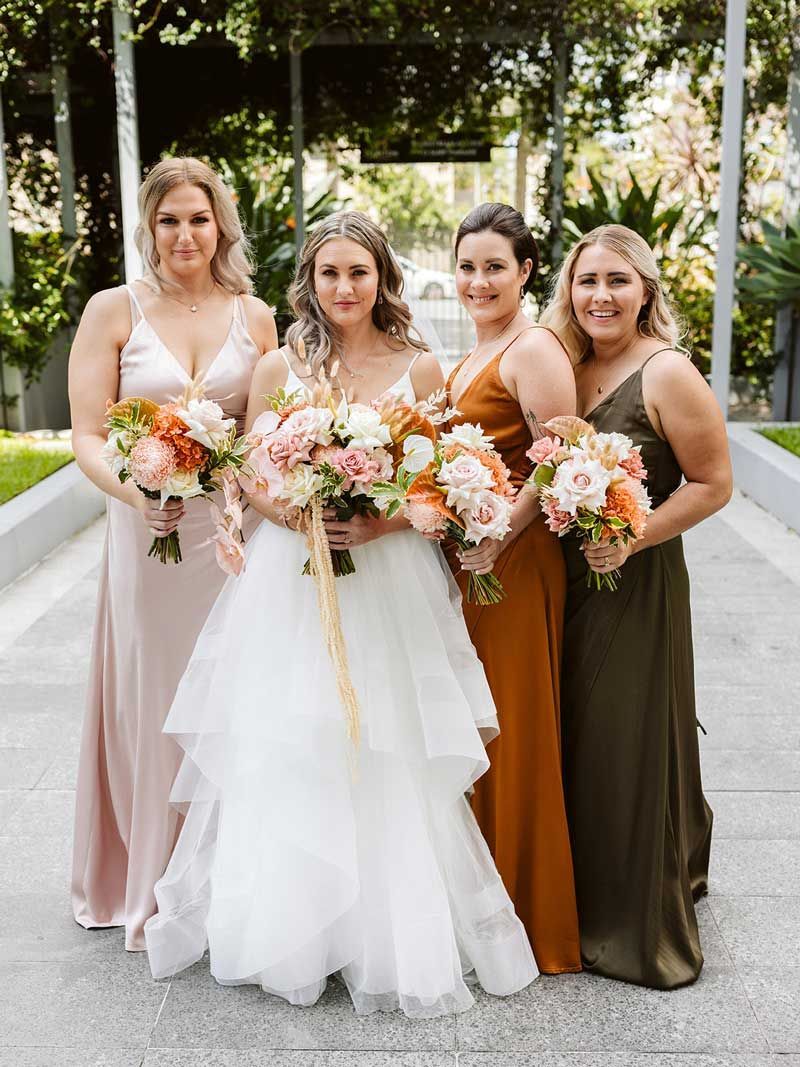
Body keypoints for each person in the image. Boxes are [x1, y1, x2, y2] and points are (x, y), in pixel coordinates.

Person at [144, 211, 538, 1017]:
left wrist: (383, 519)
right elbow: (251, 473)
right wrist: (293, 514)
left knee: (384, 738)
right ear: (310, 282)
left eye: (359, 272)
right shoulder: (279, 365)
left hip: (389, 576)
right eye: (329, 274)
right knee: (298, 736)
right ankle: (295, 929)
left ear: (382, 277)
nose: (344, 287)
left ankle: (381, 932)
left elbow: (437, 475)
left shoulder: (422, 365)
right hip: (293, 578)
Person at [69, 157, 277, 951]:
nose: (185, 235)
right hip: (147, 529)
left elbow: (269, 435)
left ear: (219, 223)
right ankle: (152, 880)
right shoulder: (113, 311)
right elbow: (88, 434)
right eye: (168, 220)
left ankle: (229, 874)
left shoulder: (256, 318)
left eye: (198, 218)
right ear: (147, 228)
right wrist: (138, 492)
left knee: (235, 694)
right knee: (155, 698)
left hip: (231, 539)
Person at [540, 223, 732, 988]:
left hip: (634, 577)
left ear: (646, 289)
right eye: (588, 281)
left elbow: (713, 483)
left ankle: (624, 917)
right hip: (562, 579)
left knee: (621, 736)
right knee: (572, 737)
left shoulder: (667, 371)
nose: (601, 296)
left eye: (617, 280)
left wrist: (635, 535)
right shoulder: (565, 360)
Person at [445, 202, 582, 974]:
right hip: (471, 564)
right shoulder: (471, 352)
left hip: (515, 566)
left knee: (511, 729)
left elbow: (559, 457)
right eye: (468, 266)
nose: (479, 280)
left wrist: (500, 534)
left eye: (495, 265)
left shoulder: (533, 349)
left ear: (527, 271)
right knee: (477, 727)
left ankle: (529, 916)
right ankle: (477, 908)